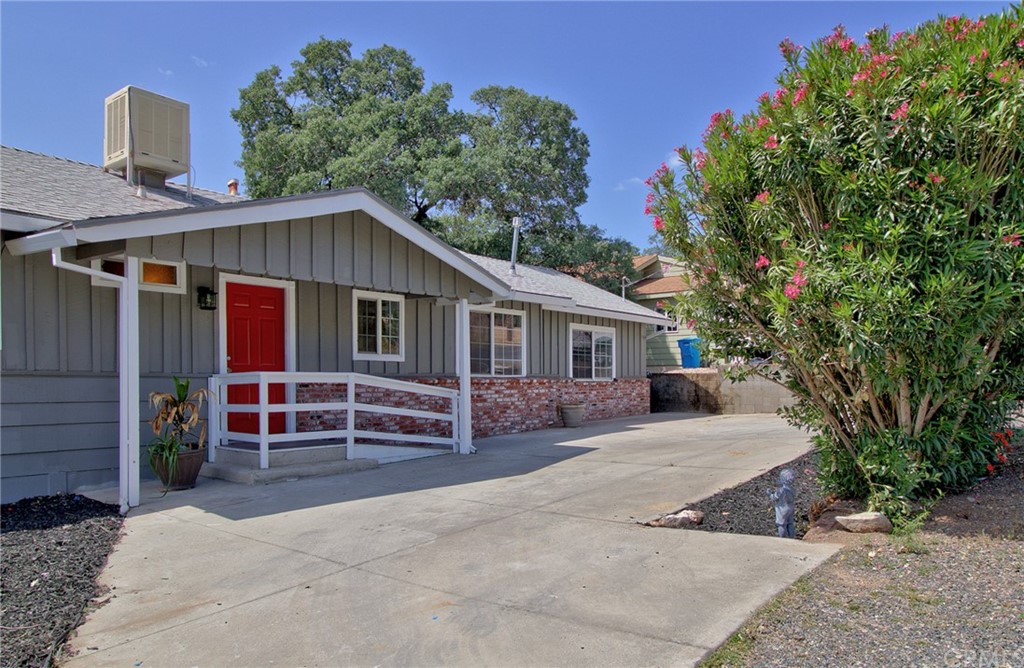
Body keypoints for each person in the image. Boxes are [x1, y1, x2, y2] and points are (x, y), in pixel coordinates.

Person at [768, 469, 796, 538]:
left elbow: (774, 497)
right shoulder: (792, 489)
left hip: (782, 509)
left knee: (781, 524)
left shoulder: (781, 490)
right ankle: (792, 537)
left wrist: (769, 494)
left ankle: (782, 538)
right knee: (790, 523)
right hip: (791, 507)